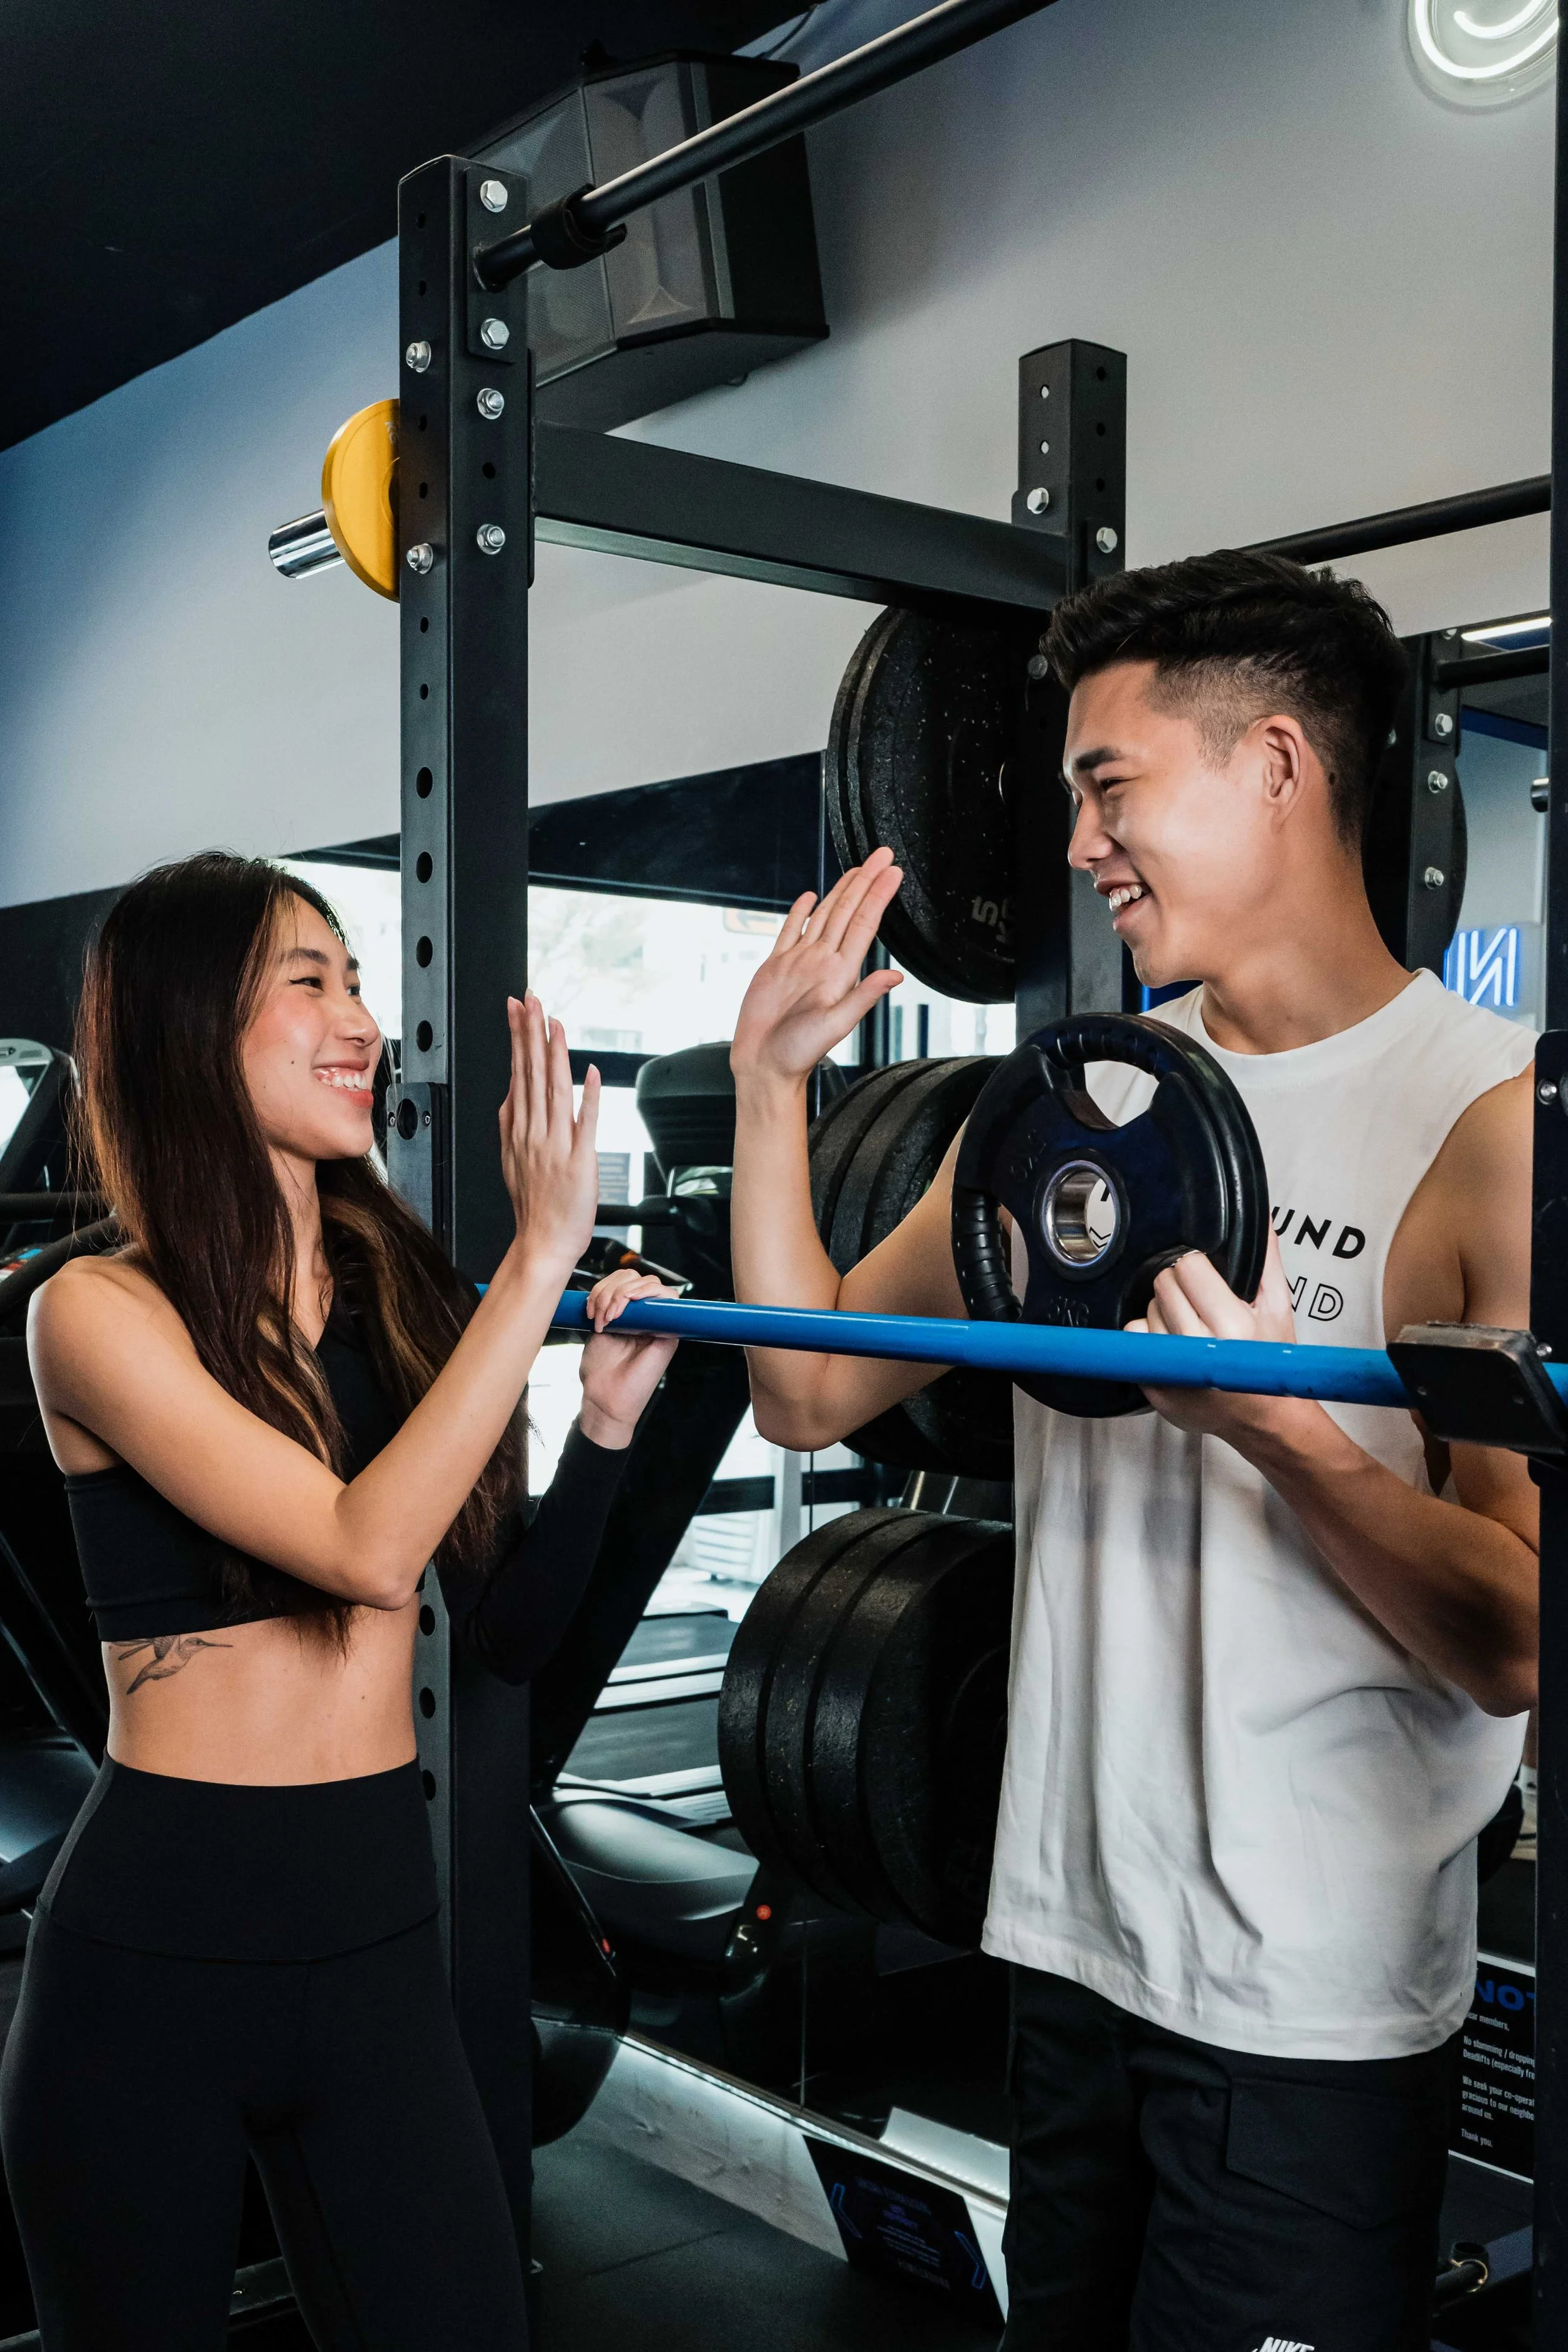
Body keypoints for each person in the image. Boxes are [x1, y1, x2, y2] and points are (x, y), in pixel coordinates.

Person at [728, 551, 1539, 2352]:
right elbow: (804, 1389)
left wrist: (1279, 1433)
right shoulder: (1070, 1109)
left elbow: (1516, 1629)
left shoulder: (1482, 1123)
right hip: (1069, 1961)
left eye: (1110, 786)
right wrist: (775, 1085)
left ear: (1272, 765)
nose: (1082, 840)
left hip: (1303, 2012)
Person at [0, 852, 673, 2352]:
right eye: (307, 981)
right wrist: (538, 1260)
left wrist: (612, 1431)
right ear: (186, 1030)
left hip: (374, 1943)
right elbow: (363, 1548)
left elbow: (501, 1632)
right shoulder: (94, 1313)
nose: (361, 1018)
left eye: (355, 979)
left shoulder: (401, 1297)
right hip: (150, 1963)